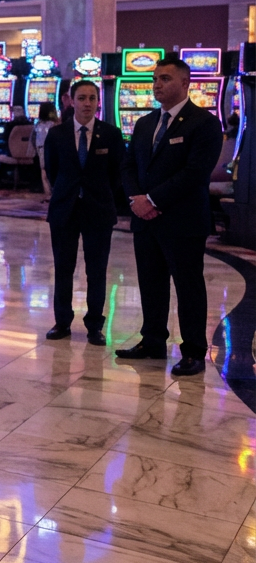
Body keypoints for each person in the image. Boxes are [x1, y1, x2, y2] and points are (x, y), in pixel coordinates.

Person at [116, 55, 223, 376]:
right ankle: (152, 341)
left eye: (165, 79)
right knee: (151, 283)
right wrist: (137, 199)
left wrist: (151, 199)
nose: (157, 85)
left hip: (183, 221)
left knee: (188, 287)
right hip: (145, 219)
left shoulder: (204, 123)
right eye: (155, 79)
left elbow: (195, 173)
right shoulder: (145, 122)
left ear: (185, 83)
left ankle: (193, 351)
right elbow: (128, 166)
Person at [43, 81, 122, 346]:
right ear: (71, 100)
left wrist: (97, 193)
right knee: (63, 268)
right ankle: (62, 322)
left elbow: (116, 174)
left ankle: (95, 326)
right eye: (82, 98)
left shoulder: (111, 134)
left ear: (98, 102)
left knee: (96, 271)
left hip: (98, 210)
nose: (87, 103)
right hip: (64, 210)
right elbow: (52, 170)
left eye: (92, 98)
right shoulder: (57, 134)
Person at [34, 103, 60, 197]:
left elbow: (34, 140)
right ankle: (54, 194)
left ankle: (48, 194)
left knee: (44, 171)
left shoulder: (38, 125)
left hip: (41, 149)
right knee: (53, 171)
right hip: (53, 149)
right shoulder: (55, 125)